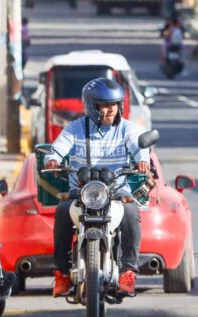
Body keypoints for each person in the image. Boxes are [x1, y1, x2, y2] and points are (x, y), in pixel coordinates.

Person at [43, 77, 149, 298]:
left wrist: (143, 161)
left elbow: (139, 146)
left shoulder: (127, 128)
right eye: (104, 104)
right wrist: (53, 159)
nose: (111, 109)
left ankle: (128, 272)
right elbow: (59, 146)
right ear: (91, 105)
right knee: (62, 211)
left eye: (114, 104)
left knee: (131, 211)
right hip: (81, 191)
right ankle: (61, 273)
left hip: (116, 192)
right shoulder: (75, 128)